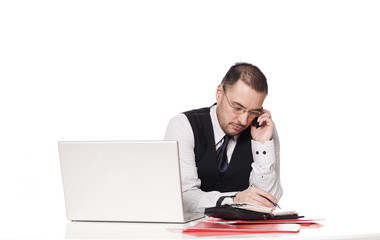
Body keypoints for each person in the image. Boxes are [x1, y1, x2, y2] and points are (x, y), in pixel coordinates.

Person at [164, 62, 282, 213]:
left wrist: (262, 144)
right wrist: (233, 201)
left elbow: (268, 201)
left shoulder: (264, 130)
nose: (244, 120)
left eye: (254, 112)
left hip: (244, 234)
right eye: (237, 108)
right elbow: (183, 197)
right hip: (191, 232)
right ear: (219, 92)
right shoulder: (183, 126)